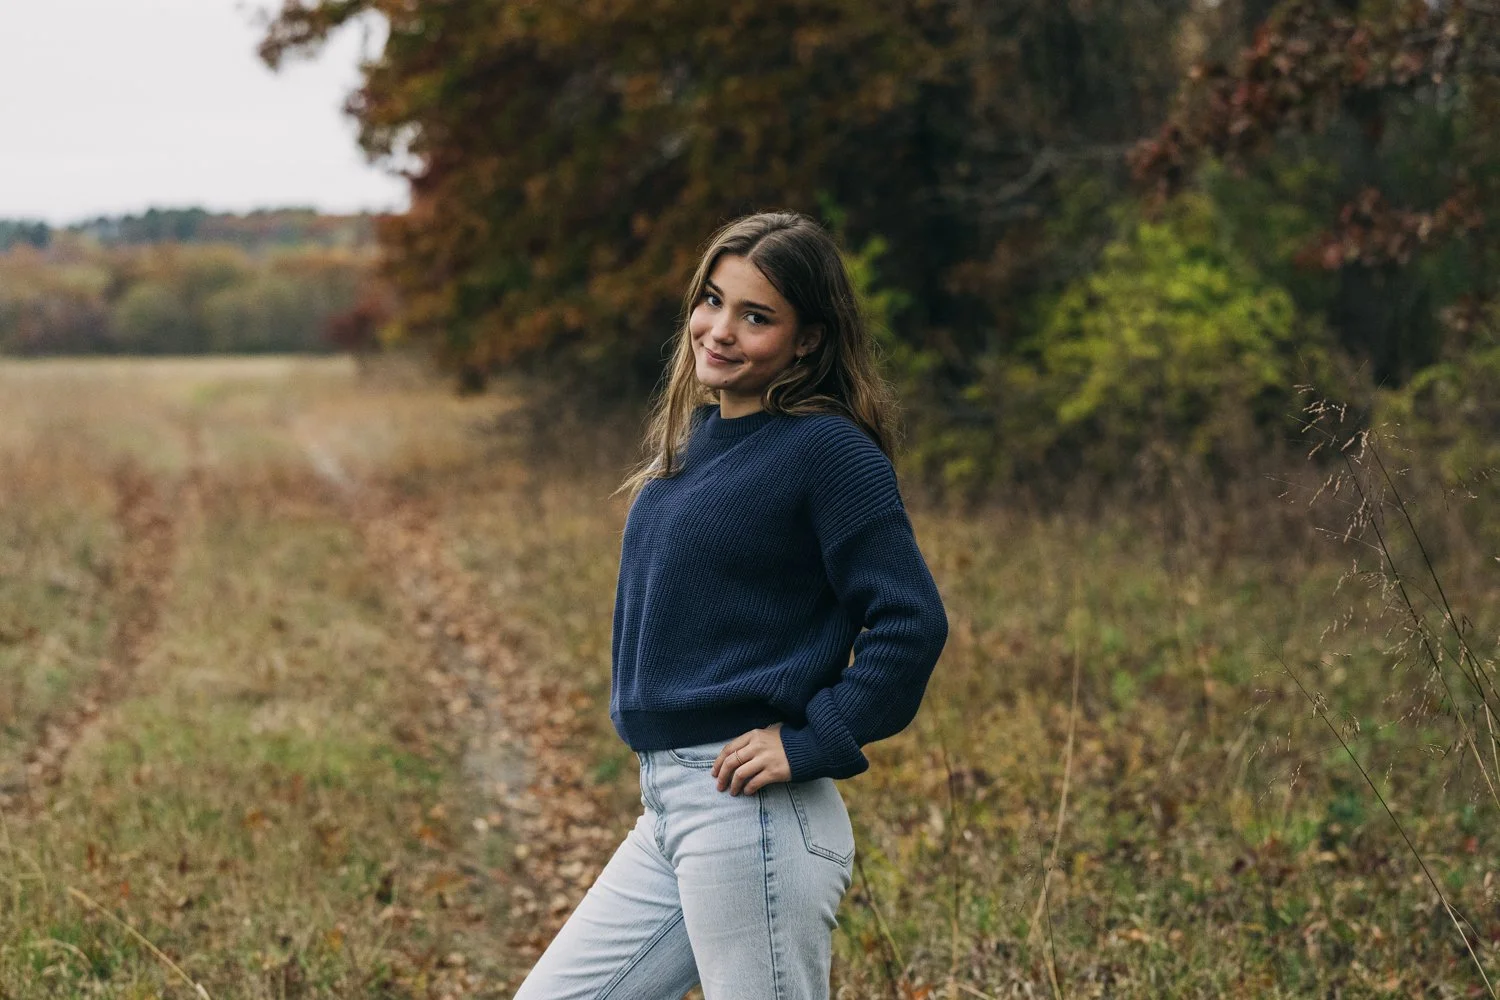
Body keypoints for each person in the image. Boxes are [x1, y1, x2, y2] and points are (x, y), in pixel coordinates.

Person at [512, 210, 949, 1000]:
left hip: (752, 817)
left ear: (808, 339)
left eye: (756, 316)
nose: (719, 329)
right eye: (712, 300)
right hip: (673, 808)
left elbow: (911, 620)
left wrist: (815, 739)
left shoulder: (827, 450)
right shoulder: (702, 442)